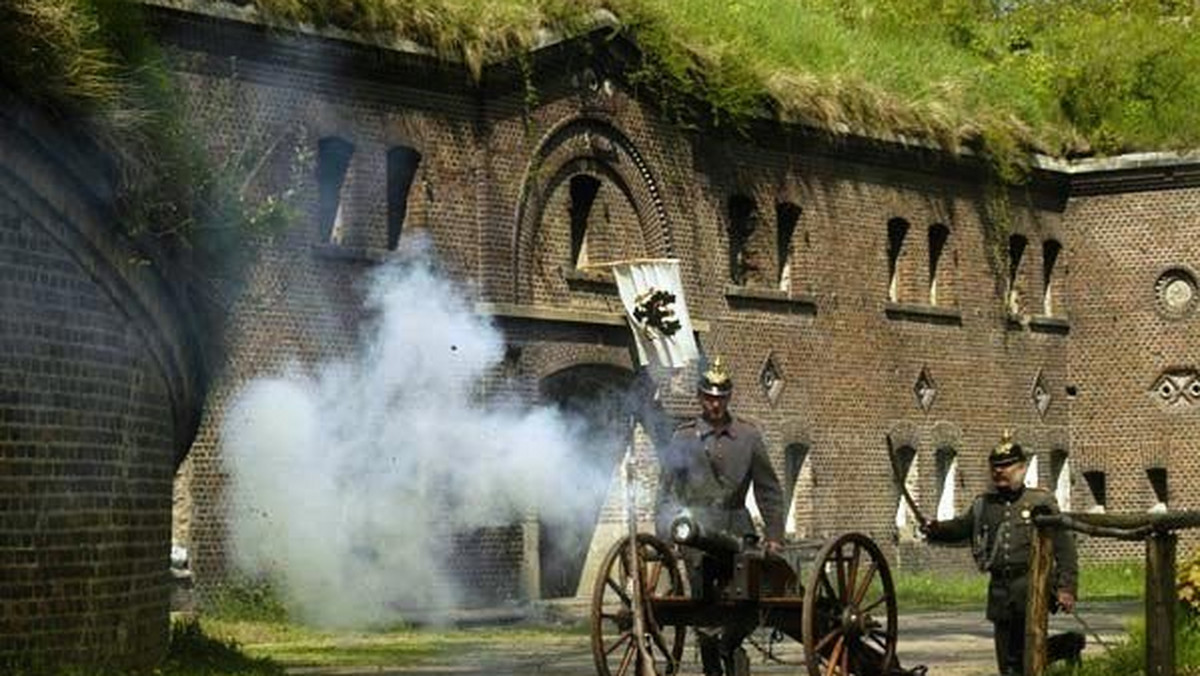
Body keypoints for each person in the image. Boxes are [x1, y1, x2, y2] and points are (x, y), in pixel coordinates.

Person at [655, 356, 785, 676]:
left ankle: (730, 645)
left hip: (737, 527)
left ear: (728, 399)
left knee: (746, 600)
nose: (715, 404)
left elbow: (768, 490)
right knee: (703, 608)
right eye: (709, 398)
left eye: (721, 398)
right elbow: (667, 492)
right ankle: (713, 667)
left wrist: (774, 535)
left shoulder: (748, 436)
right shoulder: (683, 438)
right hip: (695, 533)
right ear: (700, 398)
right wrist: (665, 538)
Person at [921, 433, 1085, 676]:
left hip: (1031, 587)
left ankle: (1067, 645)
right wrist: (936, 528)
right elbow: (961, 527)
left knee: (1031, 651)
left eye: (1006, 467)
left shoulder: (1040, 501)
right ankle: (1064, 647)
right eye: (995, 468)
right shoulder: (984, 505)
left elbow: (1064, 547)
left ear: (1021, 468)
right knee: (1007, 660)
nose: (1000, 472)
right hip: (1000, 590)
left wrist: (1066, 587)